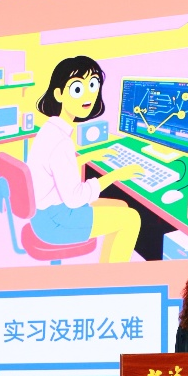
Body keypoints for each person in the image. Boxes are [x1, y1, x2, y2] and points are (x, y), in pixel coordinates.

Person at [25, 55, 144, 263]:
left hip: (45, 215)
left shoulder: (50, 129)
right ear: (59, 94)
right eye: (78, 89)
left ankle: (107, 265)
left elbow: (57, 170)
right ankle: (113, 278)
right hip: (55, 222)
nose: (88, 95)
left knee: (121, 207)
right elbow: (75, 198)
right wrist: (116, 175)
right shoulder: (61, 142)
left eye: (93, 85)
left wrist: (89, 157)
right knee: (132, 219)